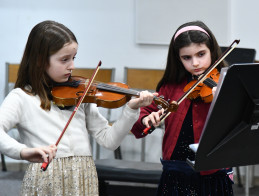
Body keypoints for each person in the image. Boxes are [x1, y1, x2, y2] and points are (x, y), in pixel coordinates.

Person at [0, 20, 157, 195]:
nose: (72, 66)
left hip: (84, 179)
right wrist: (23, 152)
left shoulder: (80, 96)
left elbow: (109, 140)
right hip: (46, 182)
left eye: (73, 58)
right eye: (64, 59)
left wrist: (131, 110)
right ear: (39, 60)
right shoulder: (22, 97)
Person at [131, 21, 234, 196]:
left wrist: (225, 102)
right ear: (178, 59)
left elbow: (241, 120)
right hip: (175, 171)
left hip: (213, 172)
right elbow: (146, 112)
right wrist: (145, 118)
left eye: (201, 54)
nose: (195, 63)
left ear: (212, 51)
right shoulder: (171, 86)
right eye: (187, 57)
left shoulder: (226, 84)